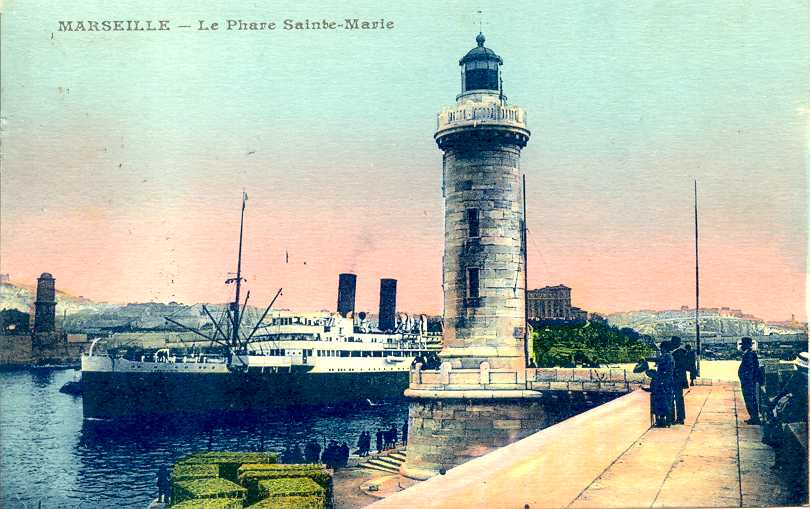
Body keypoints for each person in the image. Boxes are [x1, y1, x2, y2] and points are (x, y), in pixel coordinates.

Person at [648, 341, 675, 428]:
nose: (660, 349)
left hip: (665, 381)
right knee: (667, 400)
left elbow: (664, 368)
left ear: (665, 348)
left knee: (664, 401)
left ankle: (664, 420)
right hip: (667, 381)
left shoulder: (667, 356)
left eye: (661, 348)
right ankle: (667, 420)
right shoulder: (668, 356)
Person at [738, 337, 763, 424]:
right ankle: (753, 417)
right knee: (750, 399)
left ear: (746, 345)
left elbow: (751, 370)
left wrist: (747, 380)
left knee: (750, 399)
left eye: (743, 345)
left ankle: (754, 418)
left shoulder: (749, 354)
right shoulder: (749, 353)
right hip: (748, 382)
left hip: (749, 382)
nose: (741, 347)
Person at [670, 337, 689, 424]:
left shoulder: (678, 353)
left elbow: (678, 367)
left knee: (677, 398)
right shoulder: (680, 352)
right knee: (678, 398)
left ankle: (679, 418)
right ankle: (680, 417)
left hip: (677, 378)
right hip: (679, 378)